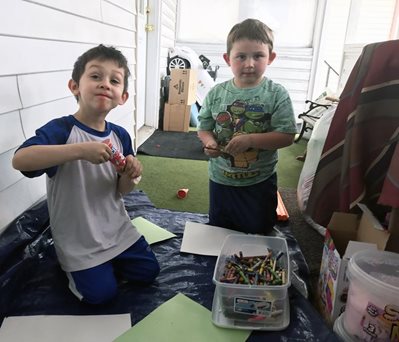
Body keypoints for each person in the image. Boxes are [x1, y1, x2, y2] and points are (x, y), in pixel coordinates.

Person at [12, 44, 160, 304]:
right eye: (95, 76)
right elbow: (20, 160)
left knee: (149, 272)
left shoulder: (120, 135)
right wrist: (79, 150)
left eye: (114, 80)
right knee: (101, 296)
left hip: (116, 228)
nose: (105, 84)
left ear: (122, 97)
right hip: (78, 238)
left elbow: (122, 190)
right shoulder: (61, 130)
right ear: (74, 86)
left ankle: (106, 267)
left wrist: (130, 172)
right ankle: (77, 271)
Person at [197, 18, 297, 234]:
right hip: (220, 179)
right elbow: (203, 127)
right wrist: (210, 142)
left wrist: (251, 140)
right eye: (241, 56)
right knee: (220, 230)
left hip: (259, 181)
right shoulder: (216, 93)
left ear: (270, 58)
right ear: (227, 59)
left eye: (258, 56)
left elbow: (287, 135)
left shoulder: (276, 94)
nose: (249, 63)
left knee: (258, 231)